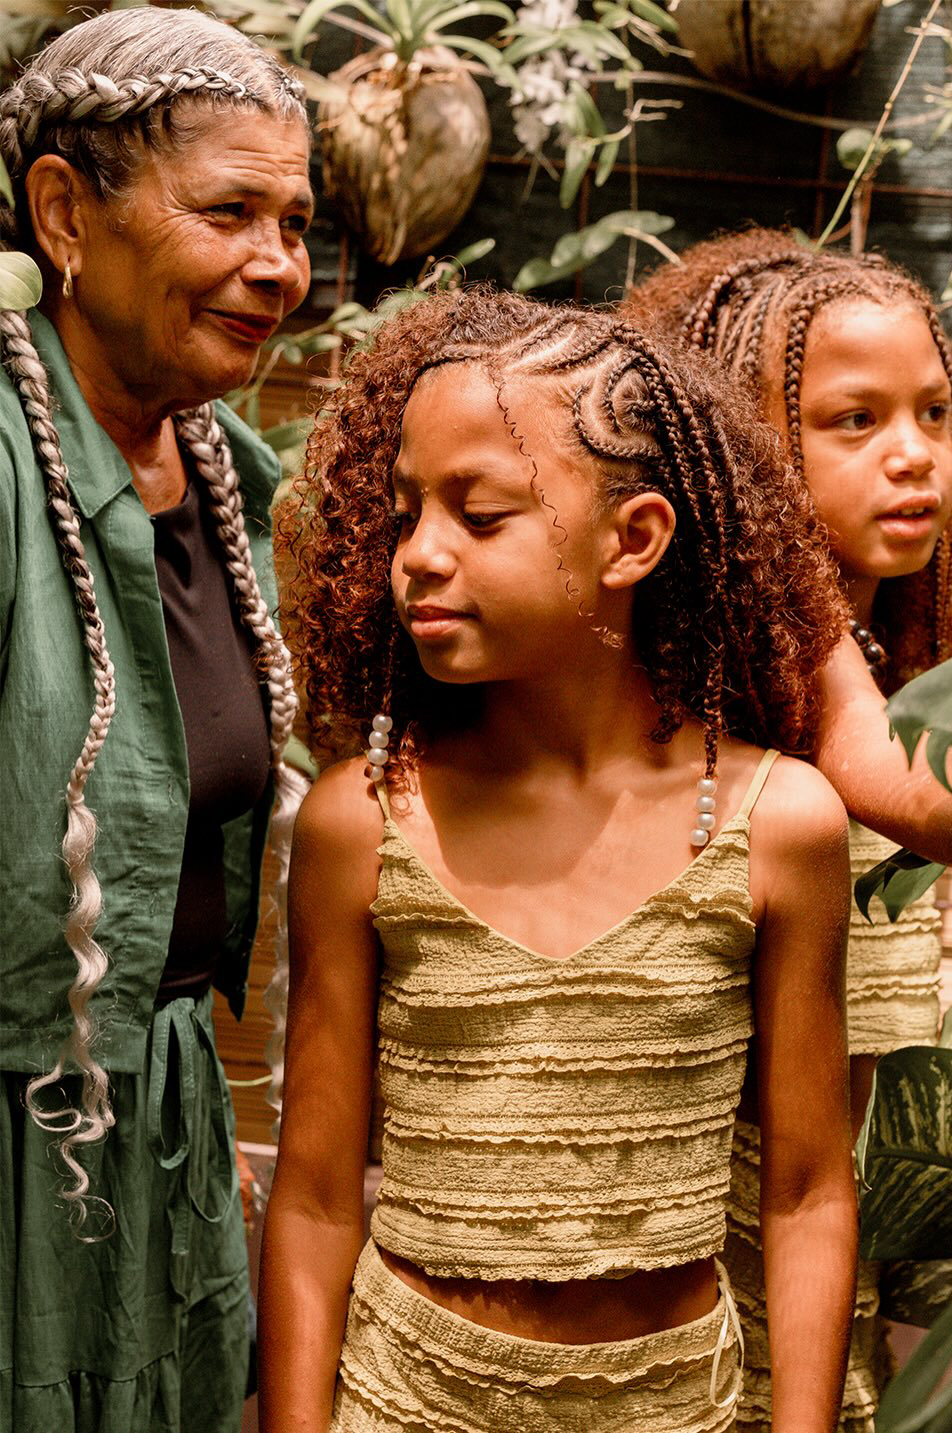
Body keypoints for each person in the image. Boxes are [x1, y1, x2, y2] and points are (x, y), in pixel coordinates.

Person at [260, 289, 860, 1433]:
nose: (419, 557)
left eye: (478, 516)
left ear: (633, 538)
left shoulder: (779, 824)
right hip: (406, 1399)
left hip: (672, 1404)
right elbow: (318, 1198)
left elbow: (806, 1189)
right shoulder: (365, 823)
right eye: (405, 514)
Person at [620, 228, 952, 1429]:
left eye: (935, 414)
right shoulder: (779, 643)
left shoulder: (908, 655)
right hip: (721, 1216)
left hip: (835, 1205)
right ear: (747, 447)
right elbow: (926, 800)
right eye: (854, 420)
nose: (913, 455)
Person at [0, 10, 312, 1429]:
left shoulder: (230, 477)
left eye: (296, 223)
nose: (279, 266)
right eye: (230, 210)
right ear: (66, 212)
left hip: (159, 1118)